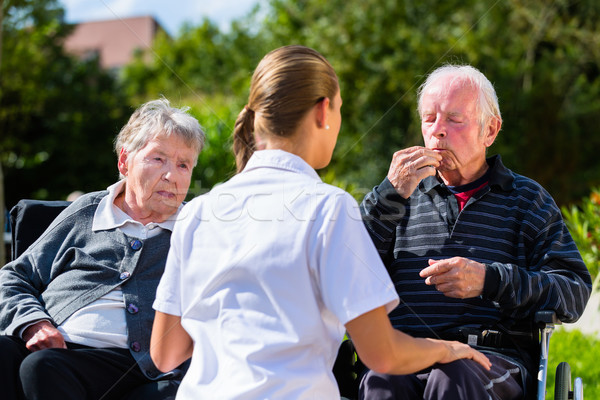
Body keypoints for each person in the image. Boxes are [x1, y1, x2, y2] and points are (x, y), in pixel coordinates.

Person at [149, 45, 490, 400]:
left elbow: (165, 353)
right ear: (323, 110)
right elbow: (382, 353)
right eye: (340, 109)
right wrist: (445, 350)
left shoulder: (196, 213)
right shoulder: (330, 209)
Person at [359, 64, 592, 399]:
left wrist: (490, 280)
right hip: (405, 351)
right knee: (383, 380)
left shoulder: (527, 200)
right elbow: (345, 272)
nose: (438, 131)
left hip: (488, 359)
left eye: (454, 119)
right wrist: (387, 196)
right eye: (429, 118)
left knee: (451, 377)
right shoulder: (395, 198)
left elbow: (573, 291)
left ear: (490, 130)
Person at [0, 98, 206, 400]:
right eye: (158, 159)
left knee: (42, 368)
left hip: (133, 363)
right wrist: (34, 323)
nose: (171, 175)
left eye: (183, 164)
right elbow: (14, 277)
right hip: (56, 345)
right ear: (124, 161)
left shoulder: (195, 228)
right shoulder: (88, 211)